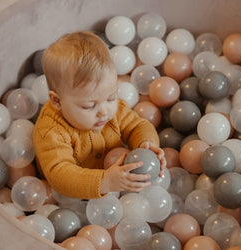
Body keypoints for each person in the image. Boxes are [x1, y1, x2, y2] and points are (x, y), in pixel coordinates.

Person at [32, 31, 166, 200]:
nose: (104, 111)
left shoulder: (113, 109)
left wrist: (146, 144)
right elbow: (60, 175)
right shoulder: (51, 131)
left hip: (117, 181)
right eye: (89, 106)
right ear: (57, 101)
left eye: (111, 97)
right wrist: (105, 182)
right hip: (72, 197)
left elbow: (137, 125)